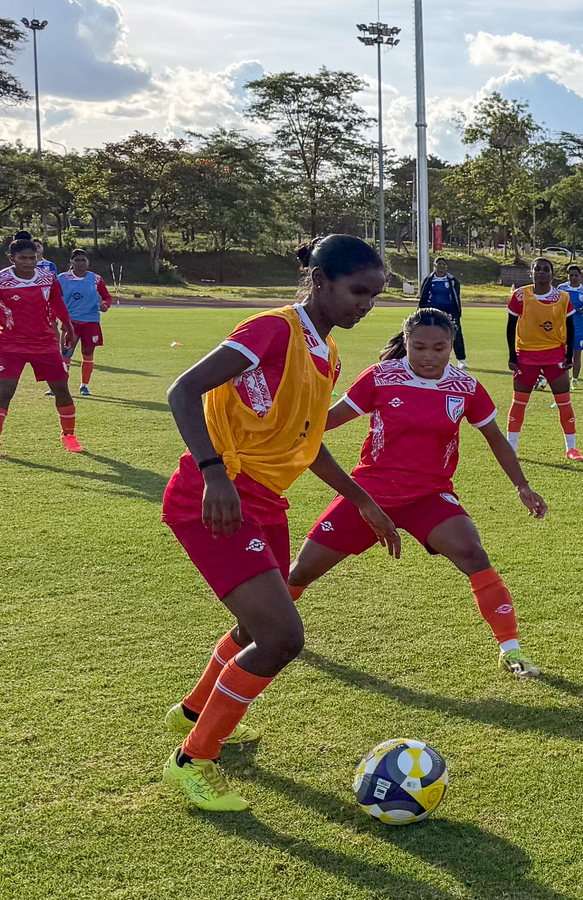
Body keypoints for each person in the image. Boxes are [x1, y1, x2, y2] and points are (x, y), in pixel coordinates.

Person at [160, 235, 401, 811]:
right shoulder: (272, 330)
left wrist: (362, 499)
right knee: (282, 637)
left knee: (256, 627)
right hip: (214, 497)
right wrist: (214, 474)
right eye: (358, 291)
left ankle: (193, 711)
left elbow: (309, 443)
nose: (366, 305)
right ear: (319, 281)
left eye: (374, 295)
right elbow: (183, 390)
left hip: (265, 501)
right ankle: (194, 760)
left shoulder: (329, 352)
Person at [287, 308, 549, 678]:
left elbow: (496, 439)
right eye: (419, 346)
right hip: (370, 494)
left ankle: (511, 650)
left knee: (473, 553)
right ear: (406, 343)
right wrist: (287, 431)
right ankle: (269, 631)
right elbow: (324, 424)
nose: (429, 356)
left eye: (439, 348)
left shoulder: (466, 387)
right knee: (301, 572)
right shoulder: (381, 377)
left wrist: (522, 486)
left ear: (451, 346)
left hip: (430, 495)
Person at [0, 235, 78, 458]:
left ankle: (69, 436)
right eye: (23, 258)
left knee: (61, 389)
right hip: (11, 344)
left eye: (32, 257)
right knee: (5, 391)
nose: (28, 262)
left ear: (38, 257)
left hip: (44, 343)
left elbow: (57, 303)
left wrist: (69, 329)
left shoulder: (47, 277)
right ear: (11, 258)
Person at [506, 257, 582, 461]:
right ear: (531, 273)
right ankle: (511, 448)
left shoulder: (563, 297)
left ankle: (571, 448)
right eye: (537, 269)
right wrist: (512, 355)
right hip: (526, 355)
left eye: (546, 269)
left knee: (564, 401)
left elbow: (571, 327)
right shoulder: (520, 295)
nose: (541, 272)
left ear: (552, 273)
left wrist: (568, 356)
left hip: (554, 355)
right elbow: (510, 326)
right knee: (519, 402)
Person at [55, 249, 113, 397]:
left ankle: (84, 386)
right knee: (66, 353)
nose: (81, 263)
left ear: (87, 262)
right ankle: (60, 386)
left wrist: (105, 305)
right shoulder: (62, 278)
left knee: (88, 354)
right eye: (78, 260)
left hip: (91, 322)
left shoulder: (95, 279)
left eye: (83, 260)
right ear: (71, 262)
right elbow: (53, 297)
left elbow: (106, 296)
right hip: (71, 322)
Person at [417, 257, 466, 369]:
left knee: (456, 333)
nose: (441, 266)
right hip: (433, 311)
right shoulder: (429, 280)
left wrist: (457, 311)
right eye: (439, 264)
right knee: (431, 334)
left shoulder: (452, 280)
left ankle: (461, 359)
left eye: (444, 264)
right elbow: (423, 295)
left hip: (450, 311)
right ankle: (432, 356)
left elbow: (456, 296)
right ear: (434, 266)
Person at [557, 264, 583, 384]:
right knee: (562, 354)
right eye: (571, 275)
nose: (573, 277)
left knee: (576, 355)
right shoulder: (561, 288)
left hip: (579, 328)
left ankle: (575, 380)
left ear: (580, 276)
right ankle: (563, 379)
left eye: (576, 275)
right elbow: (555, 303)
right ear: (567, 276)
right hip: (562, 327)